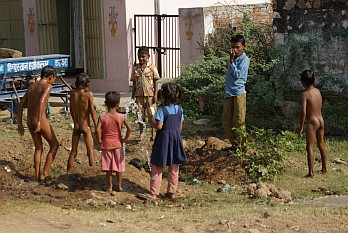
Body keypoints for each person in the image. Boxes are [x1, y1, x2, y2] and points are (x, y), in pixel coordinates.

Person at [138, 82, 187, 200]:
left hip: (163, 141)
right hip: (175, 140)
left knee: (157, 166)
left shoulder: (162, 110)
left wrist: (151, 120)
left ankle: (154, 193)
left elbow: (159, 126)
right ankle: (172, 192)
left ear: (163, 96)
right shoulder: (179, 109)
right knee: (174, 167)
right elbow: (180, 127)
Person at [17, 65, 59, 182]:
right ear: (50, 77)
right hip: (39, 119)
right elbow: (41, 101)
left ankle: (36, 176)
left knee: (38, 148)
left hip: (29, 120)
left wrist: (19, 122)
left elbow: (21, 104)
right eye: (54, 79)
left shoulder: (32, 87)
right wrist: (40, 121)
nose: (54, 81)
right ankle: (44, 174)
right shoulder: (47, 86)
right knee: (55, 145)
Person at [96, 91, 131, 193]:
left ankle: (109, 186)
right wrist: (125, 139)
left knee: (108, 167)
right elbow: (129, 128)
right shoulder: (121, 116)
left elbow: (97, 129)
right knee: (118, 166)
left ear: (105, 103)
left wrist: (99, 140)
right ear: (118, 104)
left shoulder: (102, 117)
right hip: (117, 144)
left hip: (106, 143)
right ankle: (120, 186)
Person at [222, 34, 250, 151]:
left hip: (239, 93)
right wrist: (232, 61)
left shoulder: (244, 60)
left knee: (239, 121)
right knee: (227, 120)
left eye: (237, 47)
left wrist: (232, 61)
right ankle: (234, 145)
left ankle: (242, 147)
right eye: (233, 47)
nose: (235, 50)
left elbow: (239, 76)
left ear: (244, 46)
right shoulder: (233, 59)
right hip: (229, 93)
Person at [298, 70, 327, 178]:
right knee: (321, 144)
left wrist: (301, 127)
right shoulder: (318, 91)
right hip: (320, 120)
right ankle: (324, 168)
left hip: (312, 122)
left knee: (310, 146)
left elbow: (304, 112)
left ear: (302, 82)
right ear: (314, 80)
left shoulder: (305, 94)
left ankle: (311, 172)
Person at [67, 73, 98, 172]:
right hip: (85, 125)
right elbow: (92, 112)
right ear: (87, 85)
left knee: (73, 151)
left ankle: (68, 172)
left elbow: (71, 109)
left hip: (76, 125)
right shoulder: (88, 95)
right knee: (90, 151)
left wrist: (74, 120)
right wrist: (96, 126)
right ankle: (92, 172)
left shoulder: (72, 94)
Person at [130, 46, 160, 141]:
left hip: (150, 96)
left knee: (152, 115)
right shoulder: (136, 69)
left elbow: (156, 81)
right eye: (139, 57)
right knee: (140, 115)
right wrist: (133, 96)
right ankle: (141, 133)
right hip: (139, 96)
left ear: (148, 56)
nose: (141, 59)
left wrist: (155, 95)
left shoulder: (152, 68)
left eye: (143, 56)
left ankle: (153, 133)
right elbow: (134, 83)